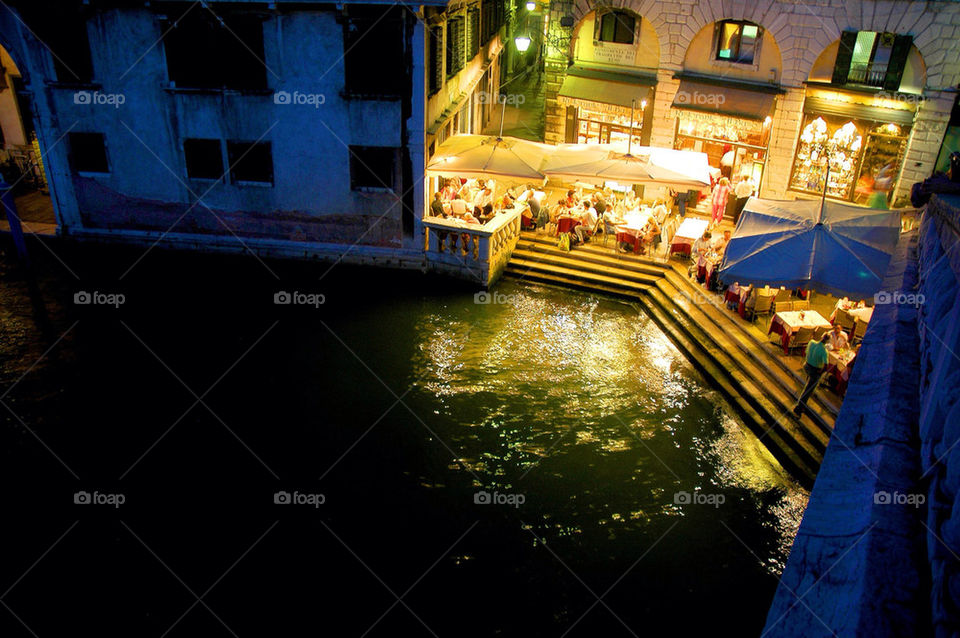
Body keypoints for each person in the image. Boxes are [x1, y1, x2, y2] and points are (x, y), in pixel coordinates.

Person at [793, 332, 830, 417]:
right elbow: (826, 366)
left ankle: (802, 404)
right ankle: (799, 407)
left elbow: (806, 352)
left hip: (806, 366)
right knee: (808, 390)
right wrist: (820, 372)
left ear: (821, 337)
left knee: (808, 384)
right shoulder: (824, 351)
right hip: (814, 370)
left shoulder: (811, 342)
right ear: (827, 342)